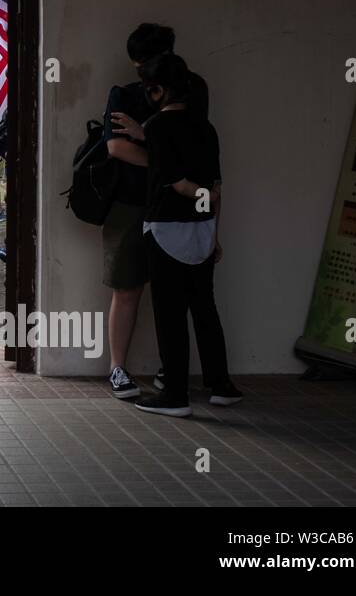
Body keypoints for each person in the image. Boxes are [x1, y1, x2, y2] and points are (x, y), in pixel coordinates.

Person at [102, 22, 210, 399]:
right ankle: (124, 368)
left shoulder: (191, 90)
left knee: (170, 294)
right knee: (136, 288)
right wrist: (168, 163)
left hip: (165, 205)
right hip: (152, 204)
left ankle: (164, 374)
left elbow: (189, 150)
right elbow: (116, 148)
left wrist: (152, 147)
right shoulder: (136, 94)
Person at [131, 54, 240, 416]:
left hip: (165, 227)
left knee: (170, 313)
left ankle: (175, 394)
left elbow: (178, 184)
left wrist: (199, 194)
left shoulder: (158, 127)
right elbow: (217, 187)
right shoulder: (206, 127)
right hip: (204, 230)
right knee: (205, 307)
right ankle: (221, 384)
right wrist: (214, 232)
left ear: (158, 90)